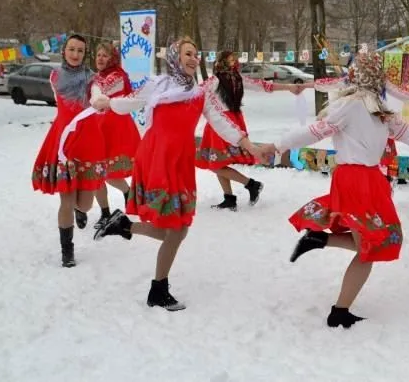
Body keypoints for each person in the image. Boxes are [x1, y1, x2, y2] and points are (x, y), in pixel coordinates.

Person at [262, 53, 409, 328]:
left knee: (377, 241)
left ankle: (321, 245)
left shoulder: (380, 108)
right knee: (372, 246)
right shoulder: (351, 105)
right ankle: (339, 310)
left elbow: (408, 133)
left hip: (367, 179)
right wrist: (277, 145)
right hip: (357, 179)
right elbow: (315, 131)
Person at [91, 38, 267, 311]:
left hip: (180, 161)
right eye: (188, 53)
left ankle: (124, 227)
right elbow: (129, 102)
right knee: (175, 229)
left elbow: (222, 122)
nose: (193, 58)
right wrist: (106, 101)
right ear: (174, 57)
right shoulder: (158, 85)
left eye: (196, 54)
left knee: (179, 230)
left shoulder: (199, 93)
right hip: (157, 157)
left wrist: (249, 145)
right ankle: (158, 290)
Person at [32, 35, 107, 268]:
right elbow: (60, 101)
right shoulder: (55, 76)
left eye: (80, 51)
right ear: (64, 51)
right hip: (64, 141)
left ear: (85, 54)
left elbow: (96, 93)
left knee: (84, 204)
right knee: (65, 198)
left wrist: (98, 99)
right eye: (72, 49)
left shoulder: (92, 79)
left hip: (88, 141)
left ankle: (79, 209)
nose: (75, 54)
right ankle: (67, 250)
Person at [195, 51, 302, 210]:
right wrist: (289, 87)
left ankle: (251, 184)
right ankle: (229, 198)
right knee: (218, 161)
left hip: (221, 122)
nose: (235, 62)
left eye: (234, 60)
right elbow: (264, 86)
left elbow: (197, 91)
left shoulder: (215, 80)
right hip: (233, 120)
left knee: (216, 164)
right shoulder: (239, 79)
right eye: (232, 60)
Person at [90, 42, 140, 229]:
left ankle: (127, 192)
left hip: (115, 129)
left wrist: (91, 88)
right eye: (98, 55)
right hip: (97, 128)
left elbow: (99, 97)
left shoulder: (117, 76)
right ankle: (104, 213)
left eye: (105, 55)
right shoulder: (96, 78)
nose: (100, 59)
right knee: (95, 173)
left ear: (112, 58)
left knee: (108, 172)